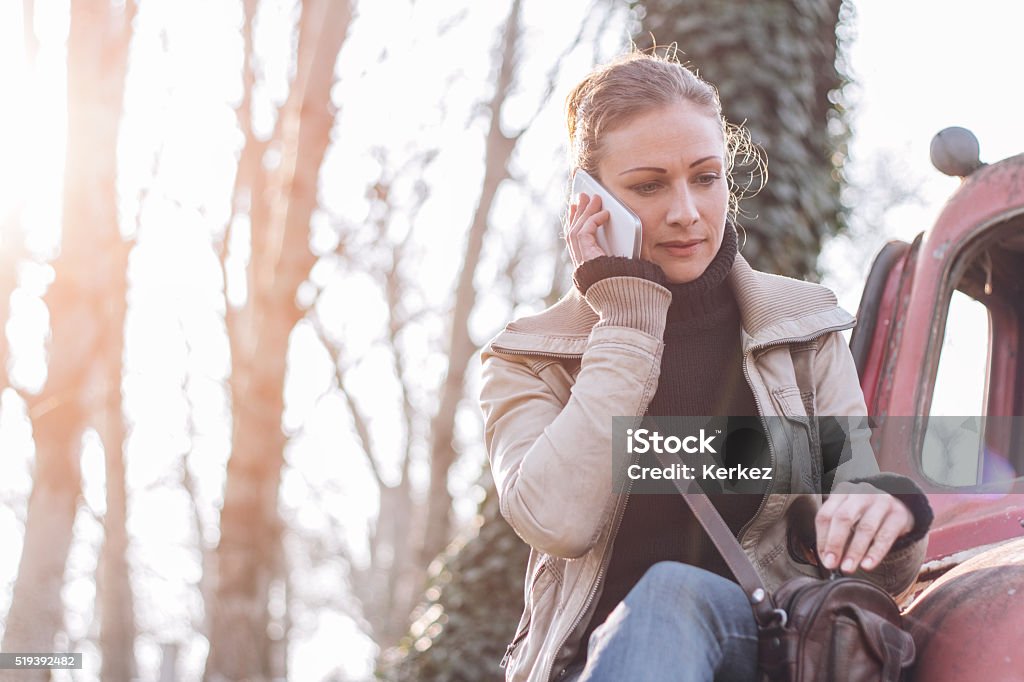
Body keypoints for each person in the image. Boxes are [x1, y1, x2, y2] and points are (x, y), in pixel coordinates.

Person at [479, 50, 933, 682]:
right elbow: (557, 520)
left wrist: (891, 515)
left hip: (764, 649)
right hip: (584, 669)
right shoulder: (530, 357)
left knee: (676, 591)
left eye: (705, 176)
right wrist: (629, 323)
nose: (687, 212)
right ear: (590, 201)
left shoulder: (802, 332)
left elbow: (866, 553)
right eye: (648, 186)